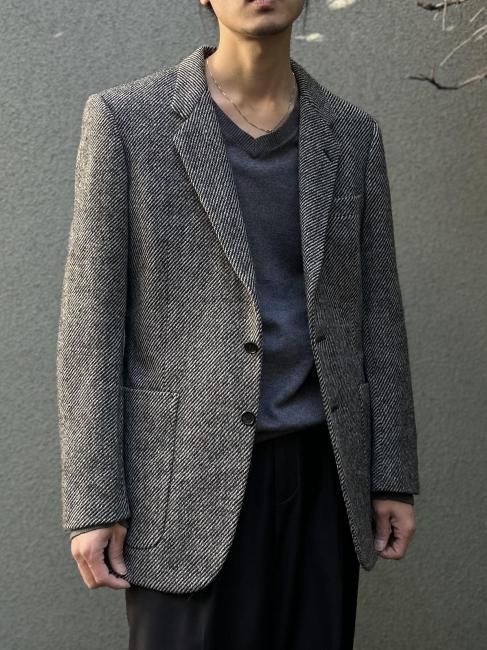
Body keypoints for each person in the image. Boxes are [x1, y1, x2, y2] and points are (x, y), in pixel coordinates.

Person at [57, 1, 420, 648]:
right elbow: (90, 326)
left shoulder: (352, 134)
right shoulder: (126, 121)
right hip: (182, 482)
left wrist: (391, 474)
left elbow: (377, 313)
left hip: (324, 477)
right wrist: (93, 500)